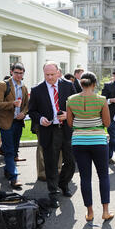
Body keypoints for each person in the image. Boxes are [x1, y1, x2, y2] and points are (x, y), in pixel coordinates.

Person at [67, 71, 114, 222]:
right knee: (103, 176)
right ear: (94, 84)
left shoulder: (71, 100)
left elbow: (70, 123)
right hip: (99, 142)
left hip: (79, 142)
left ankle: (90, 212)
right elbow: (107, 123)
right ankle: (105, 211)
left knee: (85, 178)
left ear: (81, 84)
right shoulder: (101, 100)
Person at [28, 61, 76, 208]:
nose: (49, 77)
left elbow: (77, 105)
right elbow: (32, 111)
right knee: (51, 164)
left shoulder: (68, 85)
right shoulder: (37, 90)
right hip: (49, 131)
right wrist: (40, 119)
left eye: (52, 74)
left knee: (70, 161)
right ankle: (53, 193)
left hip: (66, 129)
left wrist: (68, 114)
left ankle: (63, 183)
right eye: (47, 75)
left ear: (58, 73)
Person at [0, 62, 29, 189]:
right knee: (9, 150)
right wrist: (12, 104)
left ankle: (8, 171)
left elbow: (26, 105)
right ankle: (14, 178)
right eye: (16, 73)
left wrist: (23, 113)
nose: (19, 75)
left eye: (21, 73)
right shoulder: (3, 85)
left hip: (18, 122)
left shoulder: (24, 87)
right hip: (6, 122)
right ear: (11, 72)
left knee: (13, 150)